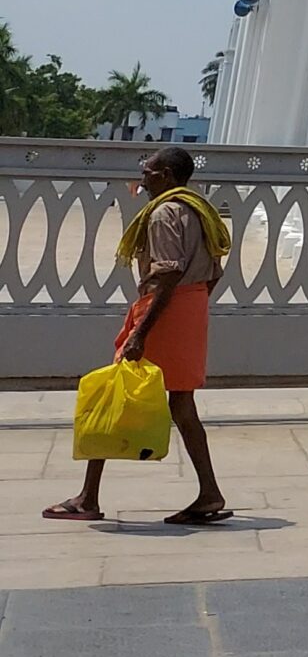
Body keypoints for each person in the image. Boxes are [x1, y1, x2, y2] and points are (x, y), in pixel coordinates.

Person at [44, 148, 232, 525]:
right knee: (182, 404)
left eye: (146, 172)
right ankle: (209, 492)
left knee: (113, 390)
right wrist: (187, 308)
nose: (142, 178)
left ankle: (87, 497)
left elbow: (167, 273)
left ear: (163, 175)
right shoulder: (199, 210)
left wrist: (141, 332)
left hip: (164, 308)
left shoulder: (164, 213)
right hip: (192, 308)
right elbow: (214, 271)